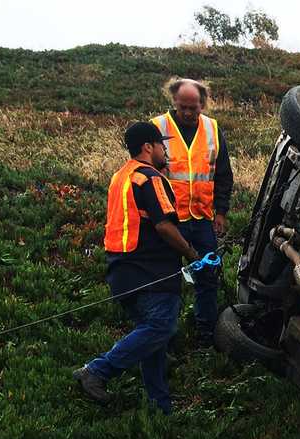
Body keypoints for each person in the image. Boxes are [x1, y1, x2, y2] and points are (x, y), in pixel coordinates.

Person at [73, 122, 201, 415]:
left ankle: (160, 406)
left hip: (122, 271)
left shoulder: (122, 177)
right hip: (151, 272)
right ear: (148, 147)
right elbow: (164, 226)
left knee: (152, 341)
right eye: (162, 145)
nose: (165, 150)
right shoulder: (150, 178)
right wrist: (192, 254)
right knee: (161, 326)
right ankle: (97, 371)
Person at [152, 78, 234, 346]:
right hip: (170, 221)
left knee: (208, 276)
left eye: (193, 108)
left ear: (203, 104)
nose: (187, 113)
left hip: (202, 219)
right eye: (182, 107)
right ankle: (165, 333)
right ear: (173, 102)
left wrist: (220, 213)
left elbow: (223, 175)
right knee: (167, 280)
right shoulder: (157, 127)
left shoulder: (212, 128)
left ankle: (205, 333)